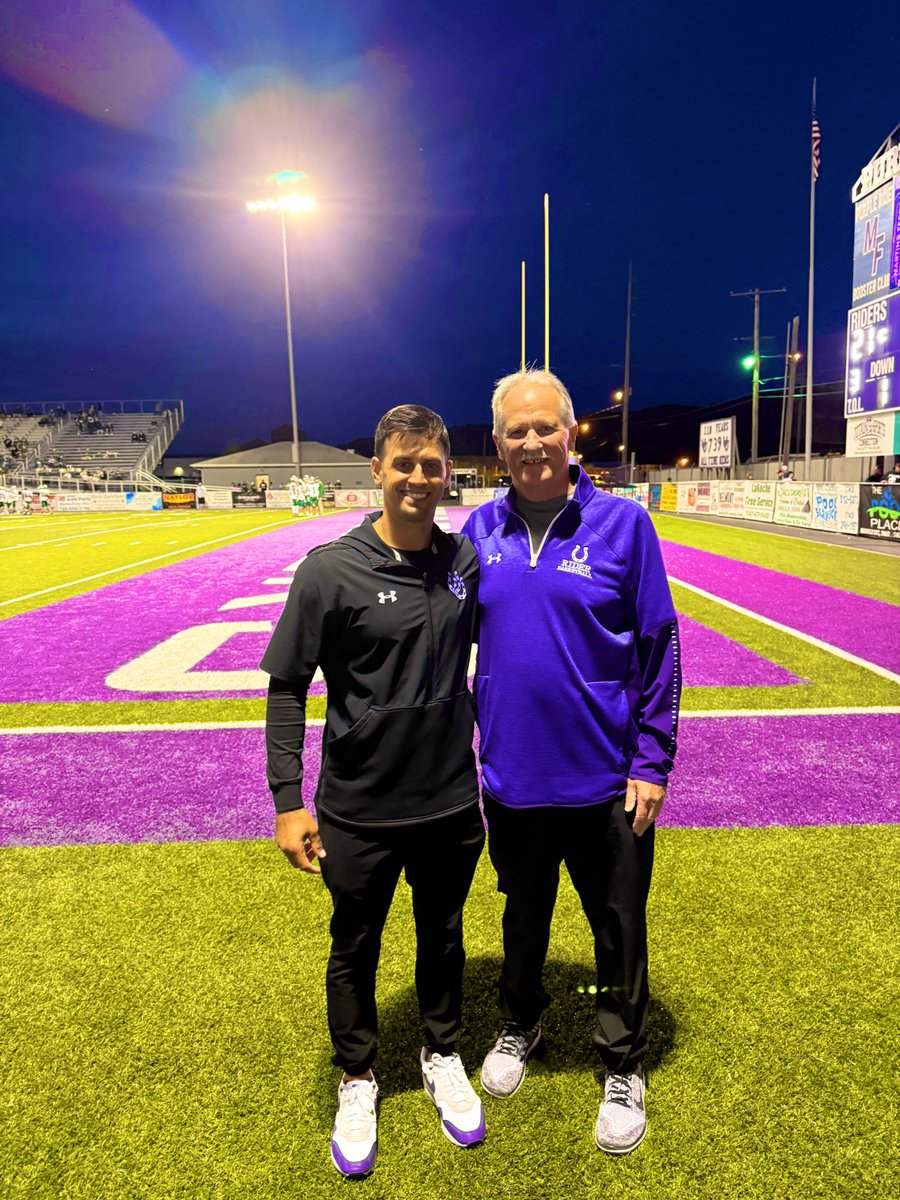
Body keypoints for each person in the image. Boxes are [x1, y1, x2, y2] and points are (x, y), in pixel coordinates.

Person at [262, 405, 486, 1179]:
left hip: (453, 801)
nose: (419, 478)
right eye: (405, 464)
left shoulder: (465, 562)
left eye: (432, 465)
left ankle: (441, 1051)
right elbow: (287, 687)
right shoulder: (329, 569)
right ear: (378, 471)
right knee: (354, 945)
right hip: (358, 807)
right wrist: (287, 799)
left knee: (444, 935)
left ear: (447, 471)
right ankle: (357, 1078)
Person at [462, 368, 681, 1157]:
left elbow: (660, 645)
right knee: (522, 917)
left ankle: (621, 1058)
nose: (531, 443)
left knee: (618, 926)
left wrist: (653, 760)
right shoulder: (475, 535)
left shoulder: (625, 527)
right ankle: (522, 1022)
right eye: (515, 432)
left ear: (571, 432)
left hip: (607, 781)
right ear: (497, 445)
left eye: (544, 428)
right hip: (513, 778)